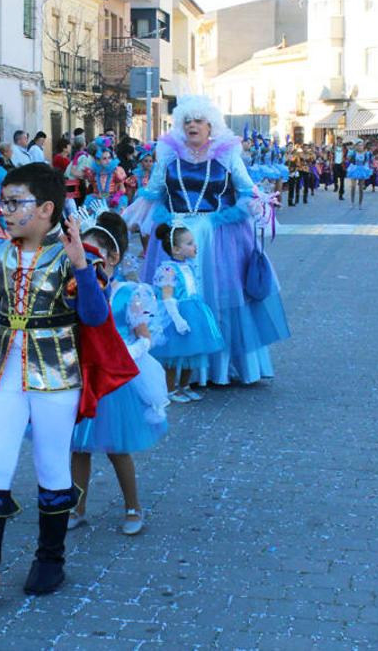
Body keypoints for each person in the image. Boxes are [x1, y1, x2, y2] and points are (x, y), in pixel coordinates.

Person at [0, 163, 135, 612]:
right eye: (2, 201)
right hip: (4, 374)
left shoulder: (75, 254)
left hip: (57, 376)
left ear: (46, 208)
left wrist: (84, 266)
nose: (3, 210)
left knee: (51, 467)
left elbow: (94, 317)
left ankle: (50, 559)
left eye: (14, 202)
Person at [125, 95, 290, 385]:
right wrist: (133, 218)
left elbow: (246, 189)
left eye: (198, 121)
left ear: (210, 125)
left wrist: (256, 207)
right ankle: (178, 370)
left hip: (217, 237)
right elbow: (153, 192)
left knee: (220, 299)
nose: (192, 126)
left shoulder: (226, 154)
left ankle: (217, 368)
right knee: (175, 298)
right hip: (175, 235)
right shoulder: (168, 155)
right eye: (187, 121)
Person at [69, 213, 169, 535]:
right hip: (84, 376)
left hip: (114, 380)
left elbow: (145, 337)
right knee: (78, 446)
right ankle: (77, 505)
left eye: (94, 254)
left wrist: (126, 353)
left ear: (112, 258)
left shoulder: (129, 294)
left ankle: (132, 506)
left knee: (116, 446)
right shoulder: (77, 289)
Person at [150, 222, 223, 400]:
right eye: (189, 243)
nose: (194, 246)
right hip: (176, 315)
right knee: (173, 356)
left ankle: (185, 385)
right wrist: (177, 319)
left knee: (193, 350)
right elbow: (167, 297)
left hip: (194, 312)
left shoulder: (188, 265)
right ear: (176, 250)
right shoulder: (167, 269)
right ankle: (170, 389)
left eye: (193, 242)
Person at [345, 140, 374, 209]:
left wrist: (367, 168)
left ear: (363, 146)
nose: (360, 146)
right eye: (359, 145)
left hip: (362, 169)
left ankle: (360, 204)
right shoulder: (353, 152)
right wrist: (350, 152)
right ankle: (352, 203)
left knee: (361, 188)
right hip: (354, 169)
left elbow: (367, 161)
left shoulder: (366, 153)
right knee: (353, 186)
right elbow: (348, 159)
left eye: (361, 145)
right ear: (356, 146)